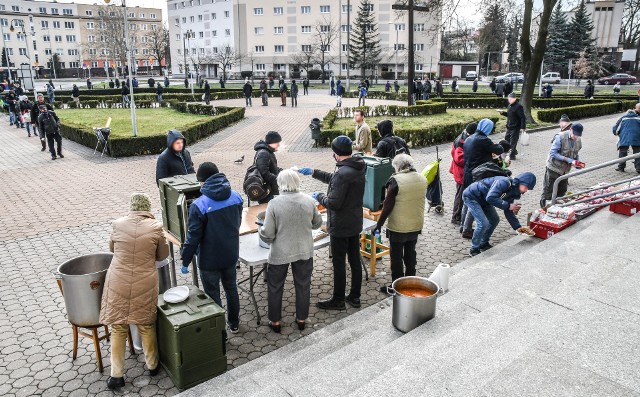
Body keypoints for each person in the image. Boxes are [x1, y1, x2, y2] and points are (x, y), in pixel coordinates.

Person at [99, 193, 169, 390]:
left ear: (131, 207)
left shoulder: (118, 224)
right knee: (146, 325)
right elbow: (162, 255)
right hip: (144, 280)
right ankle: (152, 366)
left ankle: (116, 376)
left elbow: (112, 248)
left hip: (118, 280)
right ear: (148, 208)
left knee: (119, 328)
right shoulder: (156, 227)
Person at [297, 136, 366, 310]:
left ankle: (338, 300)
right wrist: (314, 171)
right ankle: (355, 297)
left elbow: (333, 202)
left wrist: (319, 196)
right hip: (354, 222)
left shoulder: (343, 174)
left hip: (341, 226)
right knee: (355, 260)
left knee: (339, 263)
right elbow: (334, 179)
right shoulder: (356, 166)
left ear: (335, 154)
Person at [181, 163, 243, 334]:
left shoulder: (199, 205)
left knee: (213, 294)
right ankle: (234, 323)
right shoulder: (236, 197)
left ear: (203, 181)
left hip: (209, 260)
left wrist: (185, 260)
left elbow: (193, 237)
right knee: (231, 288)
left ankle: (220, 333)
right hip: (231, 254)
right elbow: (237, 223)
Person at [258, 170, 323, 333]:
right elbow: (317, 224)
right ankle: (301, 319)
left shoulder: (274, 203)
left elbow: (268, 234)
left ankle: (275, 321)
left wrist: (260, 233)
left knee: (275, 286)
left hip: (280, 253)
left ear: (280, 184)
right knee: (303, 285)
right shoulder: (309, 200)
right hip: (304, 250)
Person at [374, 154, 428, 293]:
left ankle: (396, 287)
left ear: (397, 167)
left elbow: (387, 206)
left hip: (398, 227)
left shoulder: (395, 181)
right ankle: (410, 284)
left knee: (396, 257)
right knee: (411, 253)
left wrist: (379, 224)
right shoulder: (422, 178)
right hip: (416, 225)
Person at [463, 172, 536, 256]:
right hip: (472, 196)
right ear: (520, 182)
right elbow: (490, 197)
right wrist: (508, 205)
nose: (526, 190)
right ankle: (474, 249)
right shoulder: (504, 182)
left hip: (484, 200)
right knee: (483, 223)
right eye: (526, 187)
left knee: (494, 220)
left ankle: (483, 243)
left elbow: (508, 210)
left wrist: (518, 228)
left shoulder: (514, 191)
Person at [460, 119, 504, 238]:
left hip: (467, 173)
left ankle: (462, 225)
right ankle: (467, 229)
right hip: (478, 174)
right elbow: (499, 149)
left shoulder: (470, 138)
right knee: (475, 199)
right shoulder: (483, 140)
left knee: (467, 200)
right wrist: (501, 145)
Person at [540, 123, 584, 208]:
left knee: (562, 191)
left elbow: (576, 153)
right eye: (574, 134)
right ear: (570, 130)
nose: (576, 137)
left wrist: (577, 162)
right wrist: (568, 160)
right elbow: (553, 153)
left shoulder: (578, 140)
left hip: (565, 170)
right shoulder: (560, 137)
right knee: (548, 192)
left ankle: (556, 209)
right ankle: (544, 210)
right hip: (553, 168)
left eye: (578, 135)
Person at [450, 122, 477, 225]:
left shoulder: (465, 138)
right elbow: (459, 159)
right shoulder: (462, 141)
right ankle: (456, 216)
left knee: (461, 194)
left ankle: (458, 216)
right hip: (461, 172)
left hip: (462, 171)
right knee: (461, 195)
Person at [254, 131, 283, 203]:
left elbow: (272, 167)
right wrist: (277, 178)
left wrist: (284, 172)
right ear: (272, 142)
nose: (279, 145)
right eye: (277, 143)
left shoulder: (268, 151)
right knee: (267, 209)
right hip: (265, 190)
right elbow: (264, 173)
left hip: (268, 189)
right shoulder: (264, 153)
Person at [612, 103, 640, 173]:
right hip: (636, 137)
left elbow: (615, 127)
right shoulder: (638, 118)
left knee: (623, 152)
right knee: (637, 152)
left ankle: (621, 167)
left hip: (624, 137)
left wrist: (616, 134)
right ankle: (638, 169)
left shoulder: (623, 118)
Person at [503, 92, 526, 160]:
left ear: (515, 99)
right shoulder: (509, 106)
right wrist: (502, 113)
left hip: (515, 127)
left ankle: (512, 155)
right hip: (509, 126)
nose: (509, 100)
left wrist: (522, 127)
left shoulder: (518, 106)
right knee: (507, 139)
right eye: (508, 99)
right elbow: (509, 115)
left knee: (513, 141)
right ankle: (513, 151)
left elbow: (522, 117)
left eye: (511, 99)